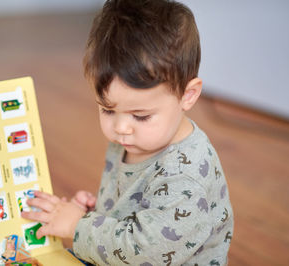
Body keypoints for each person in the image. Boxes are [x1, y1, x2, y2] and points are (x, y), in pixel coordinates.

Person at [21, 0, 234, 265]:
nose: (120, 128)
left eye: (141, 116)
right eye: (107, 110)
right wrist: (94, 214)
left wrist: (78, 226)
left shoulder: (185, 178)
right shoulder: (137, 138)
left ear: (187, 95)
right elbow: (135, 210)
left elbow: (145, 253)